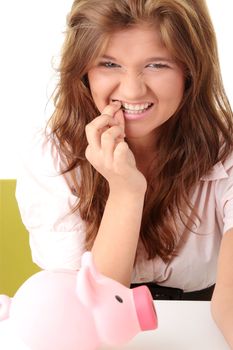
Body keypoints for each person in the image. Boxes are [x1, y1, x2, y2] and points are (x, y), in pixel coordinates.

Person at [16, 0, 233, 346]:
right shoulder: (52, 157)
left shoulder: (226, 154)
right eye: (110, 64)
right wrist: (125, 191)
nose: (132, 90)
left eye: (157, 65)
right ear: (83, 71)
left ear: (191, 70)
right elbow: (88, 315)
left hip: (201, 329)